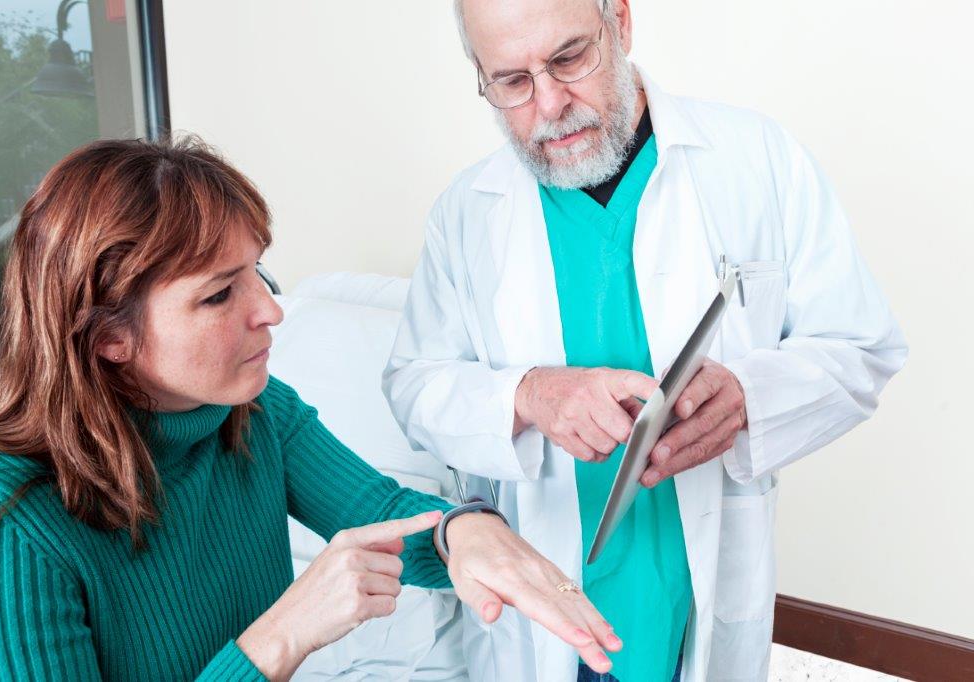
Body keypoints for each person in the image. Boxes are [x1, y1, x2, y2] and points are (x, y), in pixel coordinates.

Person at [0, 138, 624, 681]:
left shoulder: (253, 415)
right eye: (220, 295)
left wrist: (463, 534)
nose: (270, 311)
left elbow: (386, 518)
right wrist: (280, 638)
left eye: (258, 275)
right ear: (110, 338)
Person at [382, 0, 908, 680]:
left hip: (697, 592)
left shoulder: (755, 162)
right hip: (543, 614)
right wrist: (527, 395)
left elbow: (862, 344)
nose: (548, 105)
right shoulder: (465, 214)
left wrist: (750, 395)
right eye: (511, 82)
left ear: (621, 24)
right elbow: (412, 383)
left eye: (569, 59)